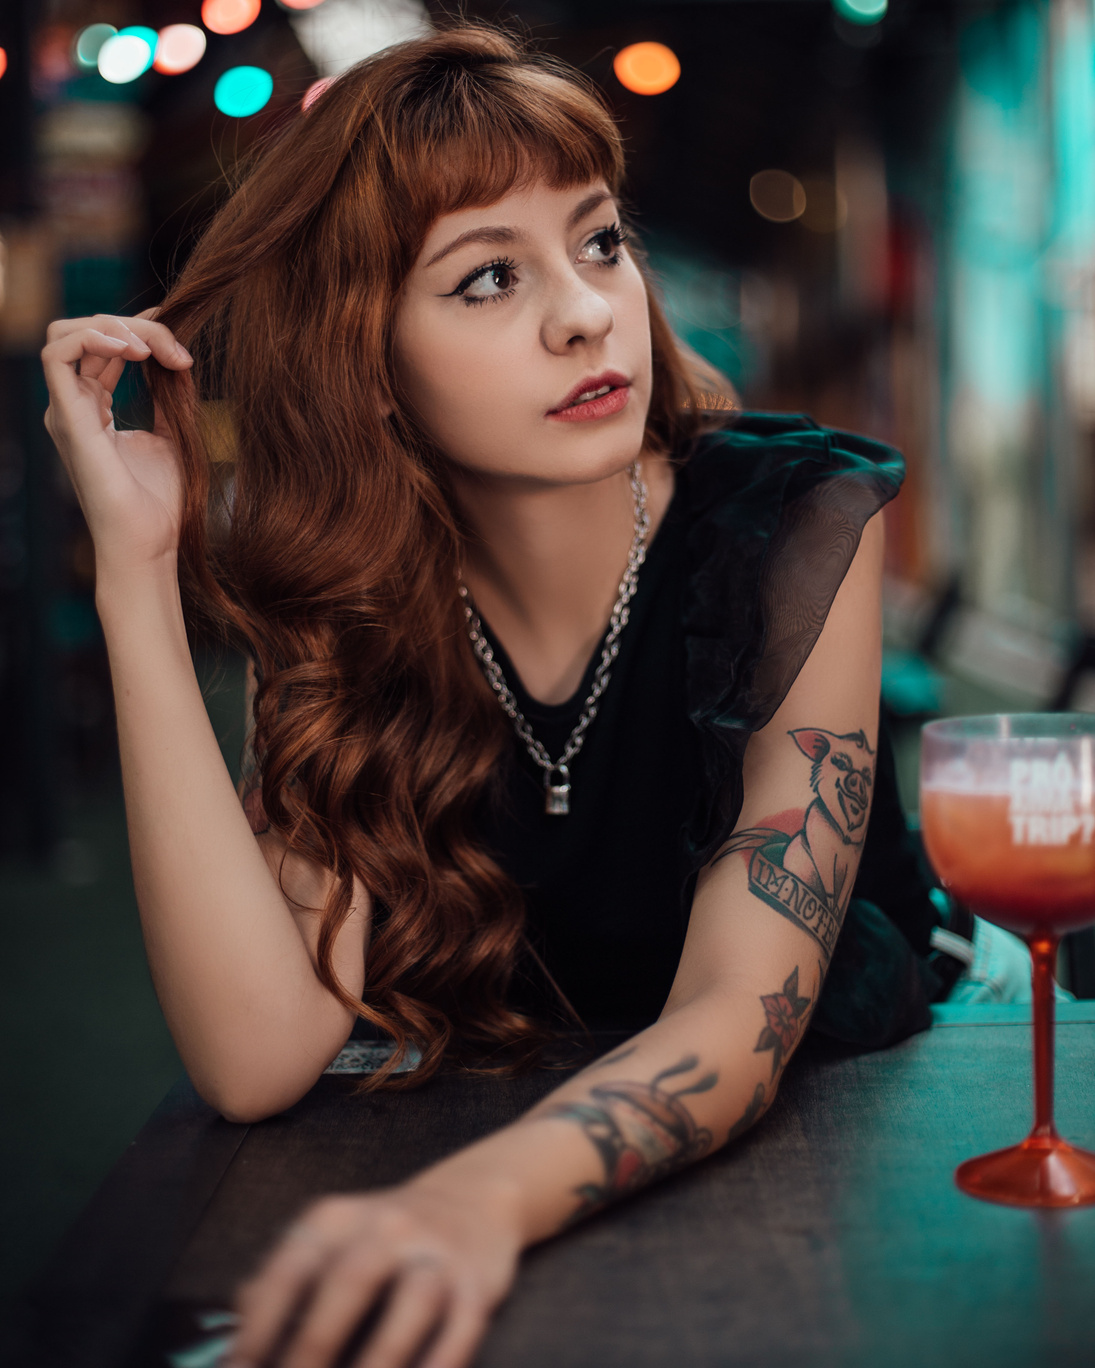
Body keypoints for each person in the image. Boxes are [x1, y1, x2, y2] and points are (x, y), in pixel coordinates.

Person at [40, 18, 977, 1368]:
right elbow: (257, 1057)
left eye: (598, 241)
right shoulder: (354, 595)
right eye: (486, 280)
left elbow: (740, 1013)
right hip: (507, 1134)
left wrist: (474, 1201)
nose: (586, 310)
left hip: (853, 1150)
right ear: (365, 359)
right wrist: (136, 576)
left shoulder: (788, 527)